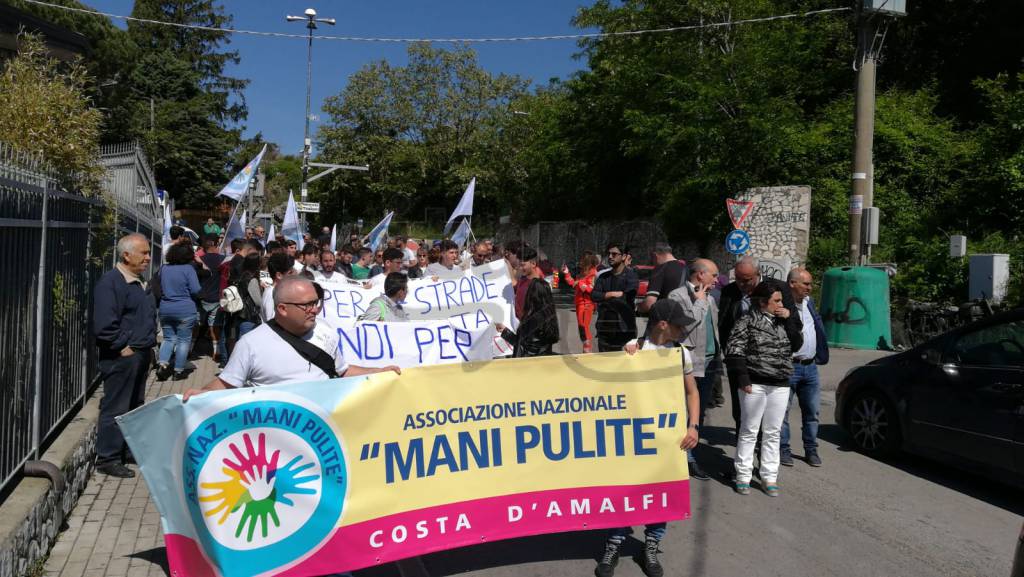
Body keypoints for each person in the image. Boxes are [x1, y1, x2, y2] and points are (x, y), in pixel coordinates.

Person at [595, 299, 700, 577]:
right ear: (663, 324)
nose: (683, 330)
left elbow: (692, 392)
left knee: (661, 492)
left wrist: (694, 426)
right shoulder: (636, 348)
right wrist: (625, 355)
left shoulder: (680, 354)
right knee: (626, 490)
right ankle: (613, 544)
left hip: (668, 436)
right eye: (679, 325)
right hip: (634, 436)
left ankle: (651, 545)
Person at [182, 276, 399, 398]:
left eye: (316, 303)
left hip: (324, 435)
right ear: (283, 309)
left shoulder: (325, 330)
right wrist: (200, 394)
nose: (314, 310)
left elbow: (342, 371)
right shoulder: (251, 344)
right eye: (306, 305)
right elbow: (227, 383)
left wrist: (379, 372)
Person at [92, 234, 156, 478]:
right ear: (126, 255)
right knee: (116, 406)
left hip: (138, 353)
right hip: (122, 357)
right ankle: (107, 457)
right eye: (144, 253)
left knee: (134, 406)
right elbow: (105, 324)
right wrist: (123, 348)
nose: (148, 258)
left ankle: (127, 450)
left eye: (149, 252)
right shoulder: (111, 283)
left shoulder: (136, 281)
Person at [718, 256, 802, 433]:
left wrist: (785, 316)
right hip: (741, 363)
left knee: (769, 419)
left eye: (747, 280)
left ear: (758, 274)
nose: (742, 284)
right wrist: (731, 357)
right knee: (741, 413)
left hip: (770, 364)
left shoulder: (780, 289)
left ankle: (763, 455)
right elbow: (724, 326)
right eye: (738, 279)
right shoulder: (729, 292)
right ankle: (744, 452)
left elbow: (795, 324)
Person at [726, 282, 795, 497]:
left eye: (781, 300)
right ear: (763, 303)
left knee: (773, 432)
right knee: (750, 430)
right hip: (754, 383)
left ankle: (769, 476)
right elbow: (734, 350)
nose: (781, 304)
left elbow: (797, 343)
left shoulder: (782, 322)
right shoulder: (747, 321)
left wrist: (789, 319)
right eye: (776, 300)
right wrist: (743, 379)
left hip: (780, 383)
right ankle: (743, 475)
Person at [664, 258, 721, 481]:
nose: (717, 279)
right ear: (700, 275)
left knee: (699, 414)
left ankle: (691, 453)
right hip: (689, 362)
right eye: (714, 275)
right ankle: (684, 459)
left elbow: (713, 327)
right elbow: (684, 326)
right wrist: (698, 302)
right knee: (683, 412)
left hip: (710, 361)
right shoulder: (677, 296)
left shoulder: (710, 296)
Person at [780, 268, 830, 467]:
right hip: (789, 366)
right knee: (782, 412)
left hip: (810, 367)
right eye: (806, 284)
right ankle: (783, 450)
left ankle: (811, 450)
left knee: (812, 412)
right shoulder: (782, 306)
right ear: (792, 284)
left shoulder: (809, 303)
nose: (810, 288)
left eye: (810, 284)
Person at [154, 243, 201, 381]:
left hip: (165, 308)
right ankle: (178, 371)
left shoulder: (164, 268)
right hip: (185, 309)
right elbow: (195, 289)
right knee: (183, 341)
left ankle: (162, 365)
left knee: (168, 338)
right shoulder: (188, 269)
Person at [592, 243, 638, 352]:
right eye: (609, 254)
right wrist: (611, 294)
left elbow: (627, 298)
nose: (610, 257)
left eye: (614, 254)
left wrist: (604, 297)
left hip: (625, 330)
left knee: (623, 366)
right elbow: (594, 296)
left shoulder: (631, 276)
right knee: (604, 365)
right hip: (604, 330)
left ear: (623, 256)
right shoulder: (603, 277)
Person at [496, 279, 560, 357]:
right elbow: (525, 345)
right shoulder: (549, 315)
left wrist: (506, 332)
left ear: (532, 296)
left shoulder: (533, 319)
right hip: (542, 362)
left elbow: (525, 348)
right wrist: (505, 331)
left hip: (527, 364)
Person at [196, 236, 226, 364]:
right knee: (214, 326)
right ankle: (216, 351)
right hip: (216, 298)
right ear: (213, 245)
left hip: (200, 298)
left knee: (196, 325)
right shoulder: (223, 260)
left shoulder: (199, 261)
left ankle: (189, 350)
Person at [562, 252, 600, 353]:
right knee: (581, 327)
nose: (580, 262)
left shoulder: (592, 273)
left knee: (583, 326)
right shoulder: (583, 273)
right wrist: (566, 273)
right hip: (580, 303)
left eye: (583, 260)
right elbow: (573, 283)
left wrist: (582, 285)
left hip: (586, 304)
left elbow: (592, 289)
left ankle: (587, 349)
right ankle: (586, 348)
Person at [637, 242, 685, 314]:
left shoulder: (660, 269)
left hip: (664, 320)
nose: (652, 262)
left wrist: (638, 307)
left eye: (651, 258)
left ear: (655, 255)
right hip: (684, 319)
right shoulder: (687, 269)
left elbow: (649, 304)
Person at [261, 253, 297, 321]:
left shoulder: (280, 292)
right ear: (279, 275)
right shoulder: (270, 295)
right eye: (290, 273)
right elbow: (271, 322)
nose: (294, 275)